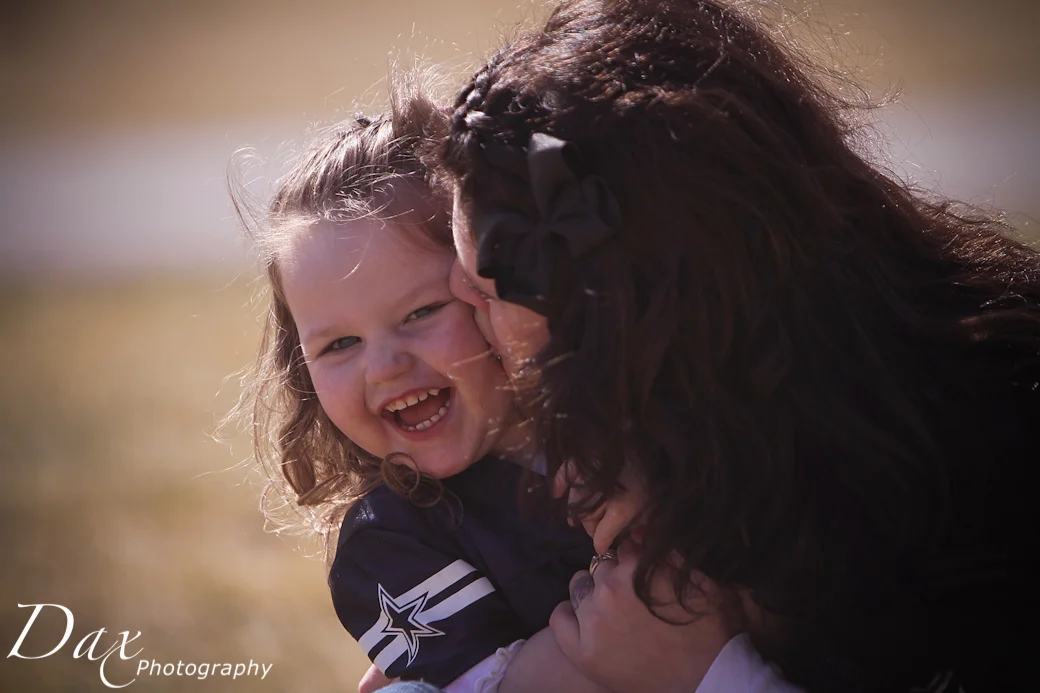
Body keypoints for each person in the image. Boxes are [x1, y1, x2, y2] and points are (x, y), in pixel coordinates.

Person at [438, 0, 1040, 691]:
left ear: (615, 318)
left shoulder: (1001, 458)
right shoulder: (698, 463)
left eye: (486, 291)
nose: (460, 307)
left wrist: (716, 676)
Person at [232, 96, 610, 692]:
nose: (384, 365)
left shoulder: (624, 418)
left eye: (422, 311)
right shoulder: (391, 539)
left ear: (489, 283)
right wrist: (643, 636)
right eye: (339, 345)